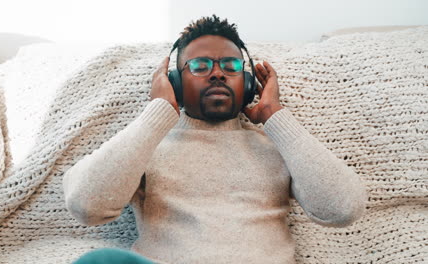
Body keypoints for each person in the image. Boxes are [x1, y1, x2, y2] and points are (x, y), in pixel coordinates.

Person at [64, 14, 367, 264]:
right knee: (100, 261)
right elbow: (86, 205)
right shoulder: (147, 145)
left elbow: (343, 207)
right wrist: (156, 113)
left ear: (248, 82)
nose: (218, 74)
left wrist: (275, 116)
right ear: (175, 82)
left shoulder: (277, 146)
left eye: (231, 66)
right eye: (200, 66)